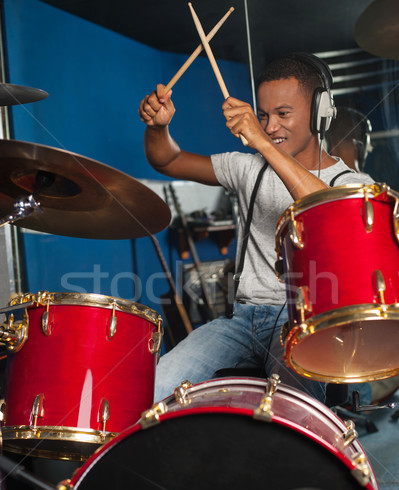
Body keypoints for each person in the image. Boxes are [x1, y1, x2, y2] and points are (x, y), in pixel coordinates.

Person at [138, 52, 373, 404]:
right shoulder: (248, 169)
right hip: (240, 318)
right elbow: (168, 159)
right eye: (263, 116)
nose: (270, 127)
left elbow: (331, 211)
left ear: (320, 112)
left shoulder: (350, 182)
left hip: (301, 325)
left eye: (283, 114)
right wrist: (158, 127)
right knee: (152, 391)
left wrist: (262, 143)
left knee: (294, 414)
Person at [326, 106, 399, 406]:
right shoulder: (366, 187)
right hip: (358, 308)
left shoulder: (307, 182)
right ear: (360, 142)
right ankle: (366, 392)